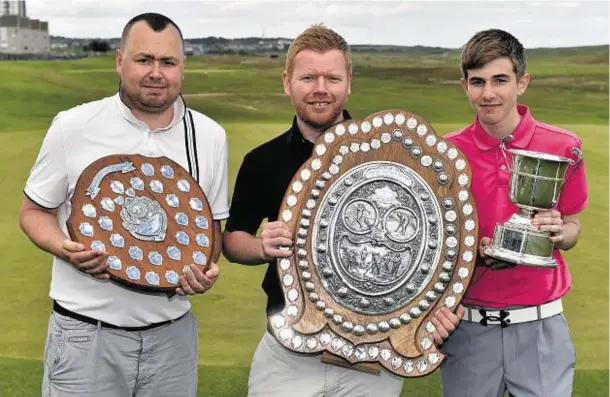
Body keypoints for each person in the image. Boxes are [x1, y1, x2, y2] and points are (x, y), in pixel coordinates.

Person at [222, 24, 463, 397]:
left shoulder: (391, 160)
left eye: (332, 77)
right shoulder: (261, 161)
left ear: (349, 82)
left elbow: (433, 248)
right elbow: (234, 240)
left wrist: (435, 310)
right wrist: (260, 247)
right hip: (288, 355)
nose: (321, 88)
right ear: (288, 82)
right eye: (308, 77)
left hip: (374, 361)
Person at [19, 13, 229, 397]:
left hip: (172, 339)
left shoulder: (211, 136)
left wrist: (206, 268)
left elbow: (211, 229)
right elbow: (33, 213)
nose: (156, 73)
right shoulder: (74, 125)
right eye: (143, 60)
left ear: (183, 67)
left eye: (168, 62)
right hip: (87, 336)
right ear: (119, 60)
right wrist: (63, 249)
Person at [440, 29, 588, 397]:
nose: (488, 93)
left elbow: (572, 229)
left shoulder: (564, 147)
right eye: (477, 82)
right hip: (470, 329)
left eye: (500, 80)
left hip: (540, 328)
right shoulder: (446, 153)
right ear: (465, 86)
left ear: (522, 83)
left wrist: (558, 233)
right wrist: (472, 253)